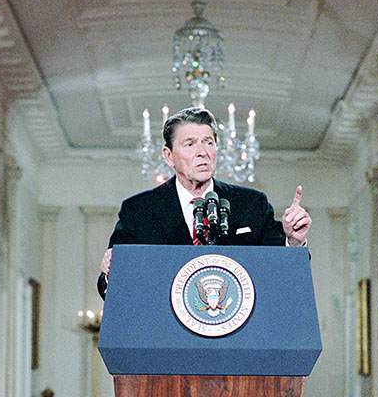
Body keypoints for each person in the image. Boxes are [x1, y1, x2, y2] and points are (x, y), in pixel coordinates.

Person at [98, 106, 311, 297]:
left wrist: (293, 241)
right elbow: (109, 287)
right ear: (169, 156)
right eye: (190, 144)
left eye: (209, 142)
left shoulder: (251, 203)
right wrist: (112, 272)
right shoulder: (139, 211)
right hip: (167, 335)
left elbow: (282, 275)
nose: (203, 153)